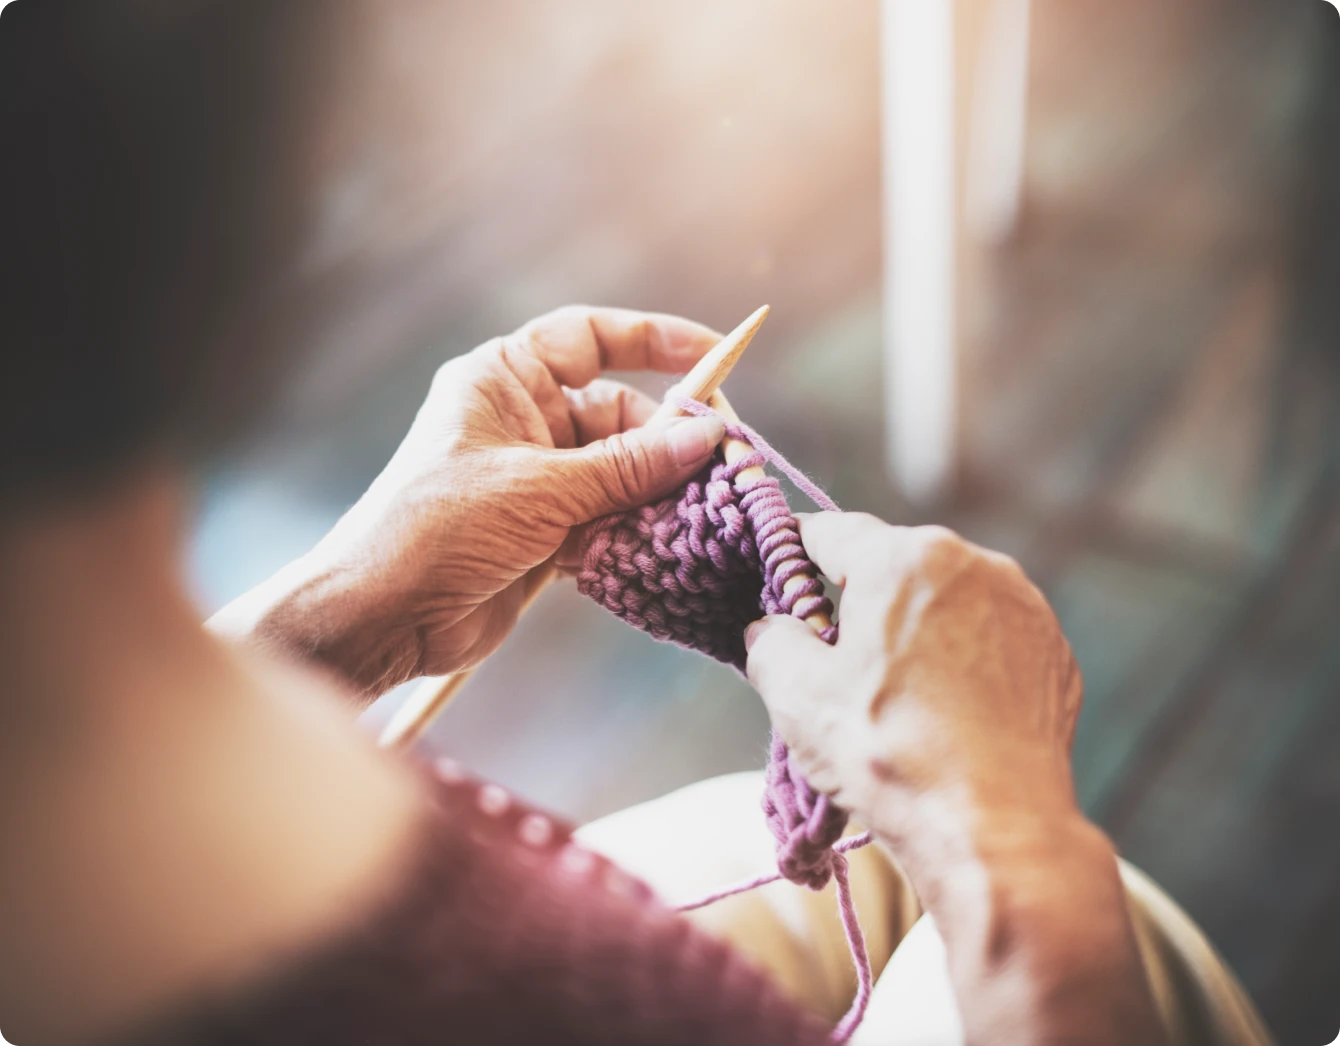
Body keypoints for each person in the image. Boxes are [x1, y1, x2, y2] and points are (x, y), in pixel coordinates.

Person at [0, 5, 1271, 1045]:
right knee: (1115, 930)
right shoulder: (542, 991)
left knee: (856, 870)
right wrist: (1015, 860)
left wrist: (331, 621)